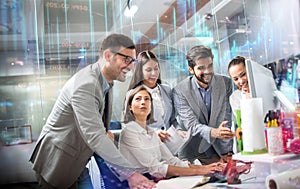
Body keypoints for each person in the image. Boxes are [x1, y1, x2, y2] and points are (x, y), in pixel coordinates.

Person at [29, 34, 155, 189]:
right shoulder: (86, 84)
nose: (130, 67)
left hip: (78, 162)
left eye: (132, 61)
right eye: (126, 60)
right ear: (108, 56)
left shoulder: (106, 82)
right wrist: (130, 174)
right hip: (58, 162)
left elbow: (100, 130)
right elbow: (95, 135)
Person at [119, 85, 224, 180]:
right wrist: (201, 171)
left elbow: (172, 161)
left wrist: (207, 167)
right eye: (138, 99)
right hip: (139, 183)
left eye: (147, 99)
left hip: (154, 179)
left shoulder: (151, 132)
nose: (143, 102)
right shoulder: (129, 132)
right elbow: (155, 168)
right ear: (130, 107)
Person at [172, 45, 235, 165]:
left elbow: (225, 119)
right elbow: (191, 125)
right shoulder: (180, 91)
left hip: (216, 148)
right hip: (190, 148)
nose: (207, 71)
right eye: (201, 68)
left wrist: (227, 152)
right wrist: (215, 132)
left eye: (210, 66)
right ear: (191, 69)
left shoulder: (225, 83)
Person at [123, 50, 180, 142]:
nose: (154, 73)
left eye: (156, 68)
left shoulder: (167, 90)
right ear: (140, 71)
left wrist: (179, 130)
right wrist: (153, 133)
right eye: (149, 70)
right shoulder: (133, 94)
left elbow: (173, 119)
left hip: (169, 146)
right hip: (147, 145)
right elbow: (129, 125)